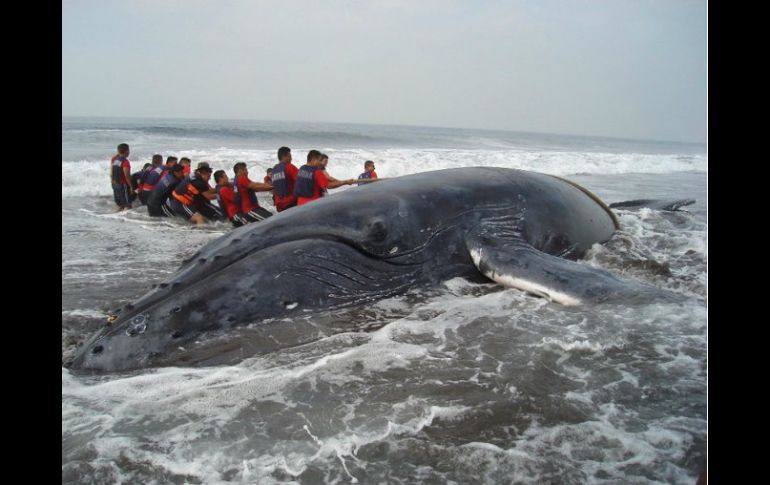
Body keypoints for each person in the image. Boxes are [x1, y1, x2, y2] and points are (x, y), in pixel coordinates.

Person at [271, 146, 299, 212]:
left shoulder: (274, 170)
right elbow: (302, 181)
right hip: (291, 203)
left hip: (279, 205)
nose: (291, 159)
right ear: (284, 156)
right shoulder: (289, 167)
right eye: (289, 156)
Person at [110, 143, 134, 210]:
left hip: (115, 183)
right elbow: (127, 175)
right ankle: (128, 215)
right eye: (128, 150)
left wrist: (112, 182)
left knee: (120, 205)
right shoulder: (125, 162)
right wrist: (131, 186)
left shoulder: (115, 160)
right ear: (126, 151)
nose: (129, 152)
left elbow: (111, 173)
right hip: (122, 185)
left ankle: (118, 215)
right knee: (127, 205)